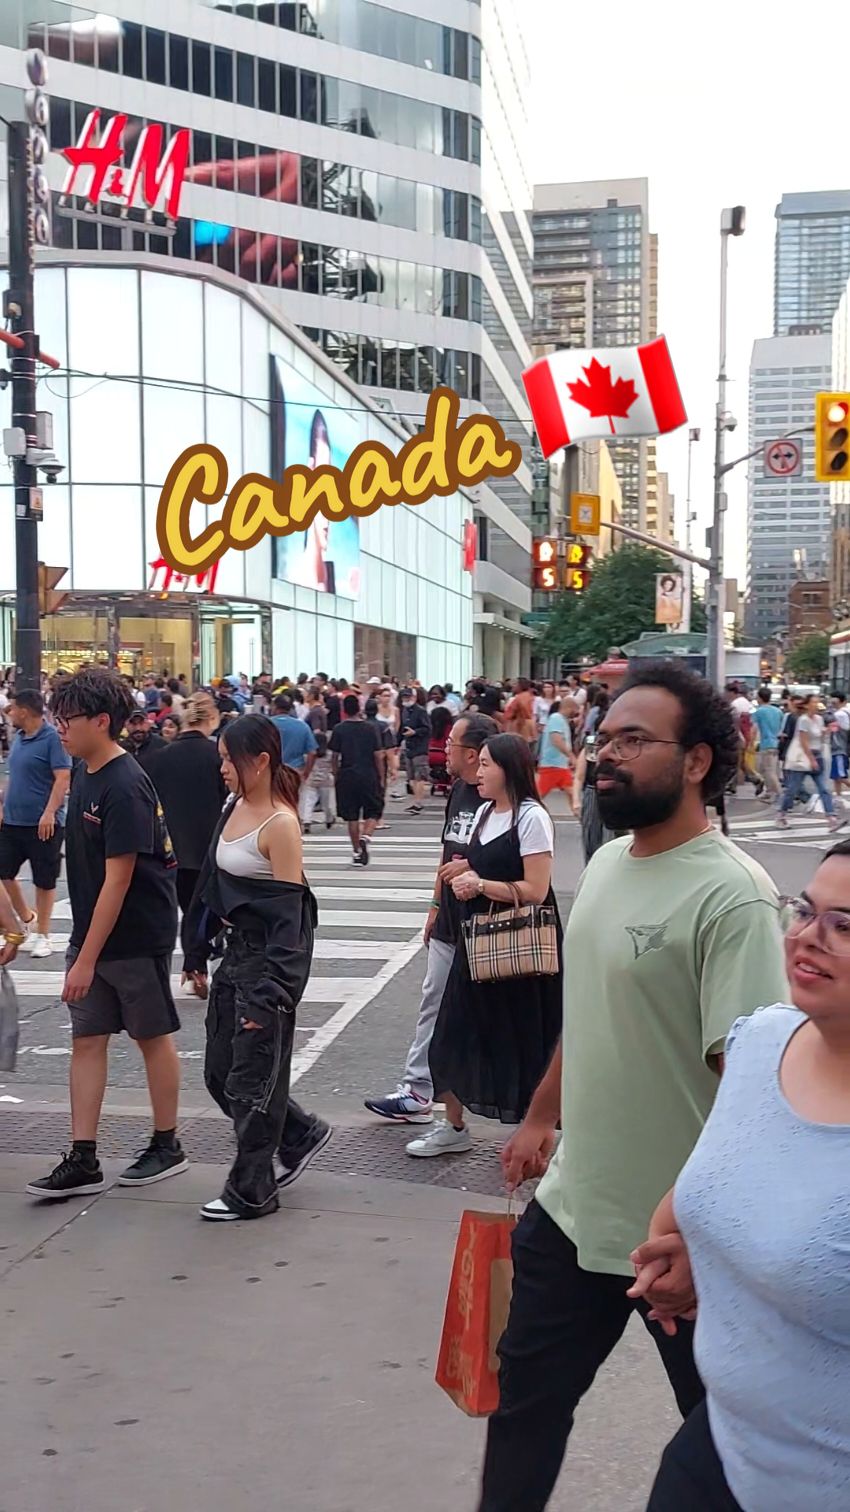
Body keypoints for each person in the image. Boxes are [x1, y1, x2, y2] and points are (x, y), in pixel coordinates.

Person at [475, 662, 788, 1512]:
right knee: (523, 1411)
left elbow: (754, 1094)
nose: (605, 755)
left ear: (695, 762)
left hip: (681, 1246)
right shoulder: (609, 862)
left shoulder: (733, 898)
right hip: (575, 1214)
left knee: (730, 1445)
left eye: (633, 740)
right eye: (604, 738)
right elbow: (594, 1013)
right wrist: (542, 1119)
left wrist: (693, 1232)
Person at [636, 843, 850, 1511]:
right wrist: (707, 1250)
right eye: (804, 912)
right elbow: (713, 1183)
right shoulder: (762, 1041)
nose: (807, 938)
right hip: (721, 1448)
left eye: (845, 925)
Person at [27, 670, 188, 1200]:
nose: (61, 729)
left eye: (67, 720)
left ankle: (167, 1143)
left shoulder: (124, 784)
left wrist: (84, 959)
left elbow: (120, 881)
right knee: (87, 1039)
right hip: (94, 930)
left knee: (150, 1036)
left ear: (102, 721)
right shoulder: (84, 769)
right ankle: (83, 1156)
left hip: (136, 933)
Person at [182, 714, 330, 1221]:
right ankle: (299, 1133)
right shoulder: (234, 805)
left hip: (268, 962)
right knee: (220, 1072)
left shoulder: (282, 825)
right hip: (235, 954)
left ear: (261, 761)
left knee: (251, 1079)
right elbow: (208, 880)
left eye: (230, 758)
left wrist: (273, 993)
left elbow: (291, 920)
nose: (221, 767)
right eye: (221, 757)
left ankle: (253, 1188)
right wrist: (195, 949)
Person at [407, 734, 563, 1158]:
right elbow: (488, 861)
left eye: (488, 765)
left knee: (528, 1041)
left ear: (509, 770)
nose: (479, 773)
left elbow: (535, 888)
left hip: (520, 949)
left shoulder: (531, 817)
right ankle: (452, 1125)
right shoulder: (482, 814)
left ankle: (545, 1129)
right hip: (476, 944)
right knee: (451, 1035)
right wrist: (466, 867)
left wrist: (479, 882)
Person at [365, 713, 499, 1123]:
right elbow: (447, 853)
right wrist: (435, 907)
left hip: (489, 925)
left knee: (496, 1018)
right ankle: (419, 1090)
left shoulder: (504, 799)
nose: (446, 751)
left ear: (474, 754)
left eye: (453, 744)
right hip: (450, 921)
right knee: (434, 1002)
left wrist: (476, 880)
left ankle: (523, 1107)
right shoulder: (459, 791)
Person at [149, 692, 228, 988]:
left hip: (168, 846)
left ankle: (195, 962)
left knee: (187, 907)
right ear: (211, 718)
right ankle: (197, 962)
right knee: (204, 908)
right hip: (208, 845)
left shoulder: (160, 757)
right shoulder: (217, 756)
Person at [0, 688, 71, 959]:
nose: (10, 712)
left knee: (45, 879)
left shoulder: (53, 738)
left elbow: (63, 777)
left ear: (26, 711)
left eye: (13, 708)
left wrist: (50, 812)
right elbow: (14, 777)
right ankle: (26, 918)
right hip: (13, 820)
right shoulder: (19, 738)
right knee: (3, 871)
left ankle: (43, 933)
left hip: (44, 822)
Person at [329, 693, 383, 865]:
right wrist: (381, 776)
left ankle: (356, 852)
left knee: (351, 816)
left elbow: (334, 756)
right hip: (368, 774)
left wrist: (336, 774)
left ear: (345, 710)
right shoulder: (370, 728)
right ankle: (366, 837)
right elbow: (378, 755)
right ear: (359, 708)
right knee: (374, 811)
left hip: (347, 774)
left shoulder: (339, 729)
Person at [777, 693, 844, 832]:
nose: (816, 704)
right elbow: (803, 741)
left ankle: (831, 818)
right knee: (792, 789)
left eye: (817, 702)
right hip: (803, 758)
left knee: (824, 789)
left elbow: (818, 737)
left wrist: (826, 731)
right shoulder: (803, 720)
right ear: (807, 705)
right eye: (813, 702)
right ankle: (781, 815)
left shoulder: (819, 719)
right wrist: (811, 759)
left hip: (817, 755)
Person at [397, 686, 430, 813]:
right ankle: (415, 800)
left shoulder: (421, 712)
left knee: (419, 775)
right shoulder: (404, 711)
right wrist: (397, 743)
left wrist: (415, 732)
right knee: (410, 777)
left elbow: (427, 729)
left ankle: (418, 802)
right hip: (409, 747)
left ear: (414, 697)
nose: (406, 699)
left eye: (408, 697)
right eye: (404, 697)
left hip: (420, 747)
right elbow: (401, 728)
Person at [536, 698, 573, 807]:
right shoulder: (556, 718)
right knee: (539, 794)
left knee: (571, 792)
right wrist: (571, 756)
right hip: (553, 764)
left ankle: (579, 814)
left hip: (559, 764)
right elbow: (556, 739)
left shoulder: (560, 720)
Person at [299, 730, 336, 833]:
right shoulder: (329, 754)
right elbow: (334, 765)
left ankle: (307, 820)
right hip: (326, 780)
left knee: (308, 801)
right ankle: (329, 818)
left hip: (311, 779)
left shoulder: (309, 753)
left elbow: (305, 764)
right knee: (326, 803)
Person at [270, 693, 317, 773]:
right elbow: (312, 753)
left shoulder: (266, 724)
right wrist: (305, 774)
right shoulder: (302, 726)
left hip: (271, 770)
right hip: (294, 771)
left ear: (275, 707)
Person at [750, 684, 782, 801]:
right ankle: (768, 792)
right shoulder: (778, 711)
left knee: (769, 771)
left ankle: (780, 794)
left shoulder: (758, 712)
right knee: (767, 769)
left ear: (759, 698)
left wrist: (750, 743)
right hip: (776, 743)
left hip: (766, 743)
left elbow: (754, 729)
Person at [122, 708, 167, 775]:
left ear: (148, 723)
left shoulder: (161, 745)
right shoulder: (121, 748)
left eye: (141, 723)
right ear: (126, 725)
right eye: (133, 724)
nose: (138, 728)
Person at [828, 690, 850, 804]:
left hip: (839, 747)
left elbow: (844, 728)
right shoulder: (844, 712)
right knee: (837, 775)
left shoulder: (839, 714)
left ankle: (838, 796)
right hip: (840, 747)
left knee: (840, 775)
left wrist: (833, 724)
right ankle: (838, 796)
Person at [503, 677, 537, 749]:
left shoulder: (519, 698)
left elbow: (509, 714)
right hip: (531, 725)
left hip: (520, 726)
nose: (513, 686)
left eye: (515, 684)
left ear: (521, 686)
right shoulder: (531, 696)